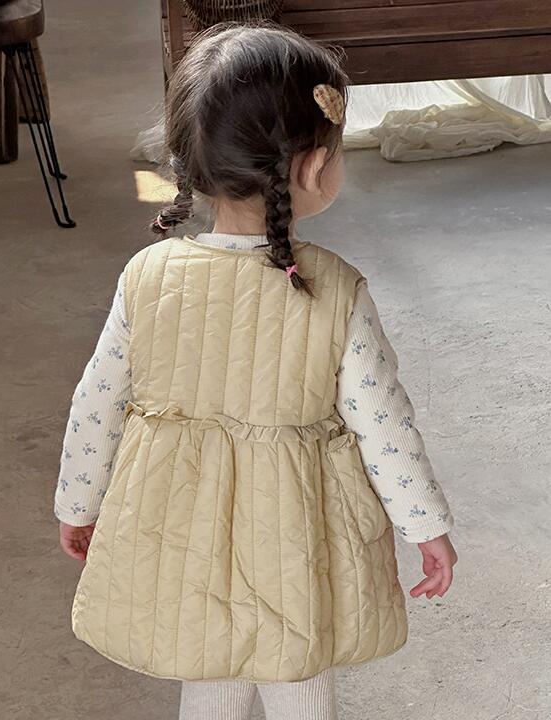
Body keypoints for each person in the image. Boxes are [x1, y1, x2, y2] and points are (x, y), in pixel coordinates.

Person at [54, 21, 458, 720]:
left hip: (180, 520)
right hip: (295, 523)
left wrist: (77, 505)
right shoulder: (335, 288)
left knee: (207, 653)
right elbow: (383, 426)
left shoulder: (148, 275)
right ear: (313, 167)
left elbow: (97, 403)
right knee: (295, 659)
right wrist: (425, 526)